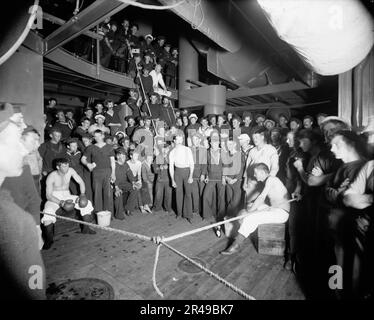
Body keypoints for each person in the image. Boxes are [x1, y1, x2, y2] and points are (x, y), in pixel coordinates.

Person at [0, 102, 46, 299]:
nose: (35, 145)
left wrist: (35, 228)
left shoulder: (23, 168)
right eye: (15, 138)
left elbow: (34, 201)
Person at [220, 163, 290, 255]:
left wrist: (249, 212)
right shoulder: (269, 180)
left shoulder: (271, 179)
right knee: (251, 205)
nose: (254, 175)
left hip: (281, 213)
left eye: (255, 173)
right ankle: (244, 224)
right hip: (274, 209)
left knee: (252, 217)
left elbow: (261, 198)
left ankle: (236, 245)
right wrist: (251, 208)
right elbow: (260, 201)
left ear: (262, 172)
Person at [41, 158, 96, 250]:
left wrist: (82, 194)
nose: (66, 168)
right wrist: (60, 203)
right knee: (47, 213)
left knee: (86, 203)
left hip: (67, 195)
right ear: (57, 167)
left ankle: (86, 229)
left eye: (67, 165)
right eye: (64, 166)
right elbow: (48, 195)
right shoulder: (51, 176)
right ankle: (49, 240)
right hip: (54, 198)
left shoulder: (71, 171)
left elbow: (81, 182)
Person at [81, 130, 116, 213]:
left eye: (98, 136)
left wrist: (113, 173)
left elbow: (112, 161)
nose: (97, 138)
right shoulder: (90, 147)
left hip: (107, 172)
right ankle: (99, 214)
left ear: (103, 136)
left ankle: (108, 214)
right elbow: (83, 159)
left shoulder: (109, 147)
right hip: (96, 173)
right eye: (95, 136)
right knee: (97, 194)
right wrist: (87, 164)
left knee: (108, 194)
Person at [244, 127, 279, 203]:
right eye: (253, 138)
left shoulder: (271, 149)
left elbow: (275, 167)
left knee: (261, 207)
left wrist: (269, 181)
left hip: (263, 184)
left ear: (263, 136)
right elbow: (247, 168)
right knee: (249, 206)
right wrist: (245, 182)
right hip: (251, 184)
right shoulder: (252, 151)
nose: (254, 140)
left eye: (256, 137)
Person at [169, 133, 194, 222]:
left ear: (182, 140)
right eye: (177, 140)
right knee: (178, 193)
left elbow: (191, 163)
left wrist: (191, 175)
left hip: (186, 172)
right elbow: (171, 167)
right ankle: (179, 213)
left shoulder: (187, 149)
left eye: (180, 139)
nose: (179, 141)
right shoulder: (172, 152)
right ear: (174, 141)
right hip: (177, 173)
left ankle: (188, 215)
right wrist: (172, 180)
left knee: (188, 193)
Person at [201, 137, 226, 230]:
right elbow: (205, 165)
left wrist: (224, 177)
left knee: (221, 197)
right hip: (211, 176)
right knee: (206, 195)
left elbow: (225, 165)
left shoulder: (222, 152)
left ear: (219, 143)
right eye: (212, 142)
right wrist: (205, 175)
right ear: (210, 143)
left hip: (220, 176)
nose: (214, 144)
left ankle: (221, 216)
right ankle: (206, 215)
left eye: (216, 142)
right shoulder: (207, 152)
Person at [112, 148, 135, 220]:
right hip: (115, 184)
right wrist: (116, 188)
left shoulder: (126, 164)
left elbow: (129, 173)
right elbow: (112, 178)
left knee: (135, 189)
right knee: (118, 194)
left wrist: (133, 182)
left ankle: (128, 209)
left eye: (125, 156)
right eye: (122, 156)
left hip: (124, 183)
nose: (124, 158)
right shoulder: (114, 165)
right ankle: (119, 215)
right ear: (118, 156)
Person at [189, 133, 206, 217]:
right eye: (193, 139)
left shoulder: (203, 150)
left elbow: (204, 163)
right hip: (192, 175)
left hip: (200, 174)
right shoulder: (189, 149)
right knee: (194, 193)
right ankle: (195, 209)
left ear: (200, 140)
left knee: (202, 192)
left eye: (196, 139)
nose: (195, 141)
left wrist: (203, 174)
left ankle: (202, 209)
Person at [153, 144, 173, 213]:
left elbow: (175, 167)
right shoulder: (158, 157)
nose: (165, 150)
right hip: (160, 179)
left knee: (168, 195)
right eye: (163, 149)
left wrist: (169, 166)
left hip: (168, 179)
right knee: (158, 194)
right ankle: (156, 208)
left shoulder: (171, 157)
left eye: (166, 149)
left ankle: (168, 208)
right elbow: (154, 169)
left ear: (168, 149)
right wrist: (160, 168)